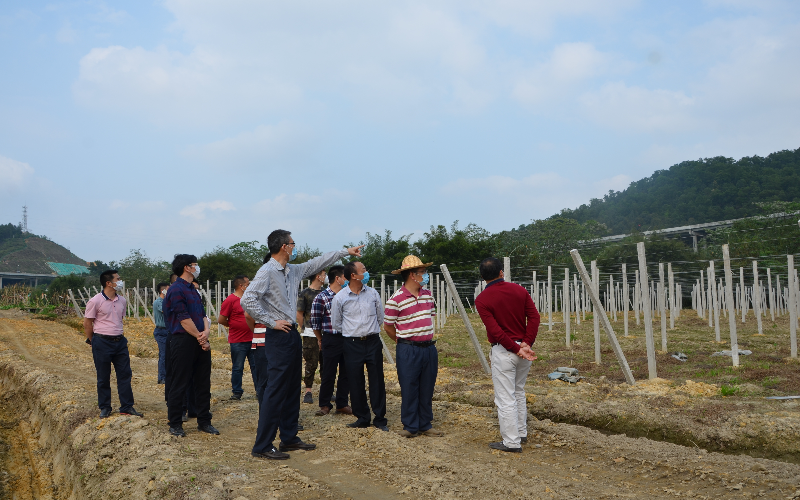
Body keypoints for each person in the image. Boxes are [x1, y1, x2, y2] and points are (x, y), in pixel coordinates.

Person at [241, 229, 363, 460]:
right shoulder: (267, 271)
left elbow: (318, 261)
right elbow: (248, 300)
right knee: (276, 390)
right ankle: (262, 445)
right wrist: (270, 321)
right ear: (284, 247)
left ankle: (289, 437)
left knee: (290, 388)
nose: (295, 247)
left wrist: (344, 252)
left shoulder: (292, 271)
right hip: (277, 335)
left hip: (290, 335)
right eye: (293, 243)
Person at [474, 257, 539, 453]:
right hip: (522, 350)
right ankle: (521, 432)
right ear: (501, 272)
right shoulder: (519, 290)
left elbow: (495, 331)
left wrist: (514, 348)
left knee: (505, 398)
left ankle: (511, 442)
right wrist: (526, 343)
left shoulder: (482, 300)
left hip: (504, 351)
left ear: (482, 277)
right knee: (518, 391)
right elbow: (534, 317)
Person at [384, 255, 442, 438]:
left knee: (427, 386)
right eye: (422, 273)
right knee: (409, 387)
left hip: (429, 348)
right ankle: (410, 425)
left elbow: (430, 317)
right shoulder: (396, 299)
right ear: (412, 275)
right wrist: (403, 341)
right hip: (408, 349)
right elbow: (388, 326)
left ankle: (425, 423)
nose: (425, 276)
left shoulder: (428, 295)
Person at [163, 254, 218, 437]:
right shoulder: (176, 289)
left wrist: (206, 331)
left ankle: (204, 421)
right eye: (195, 265)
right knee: (180, 382)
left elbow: (202, 314)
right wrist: (200, 337)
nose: (197, 268)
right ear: (187, 267)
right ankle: (176, 423)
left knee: (203, 382)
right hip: (183, 340)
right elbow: (183, 318)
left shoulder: (193, 290)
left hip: (199, 338)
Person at [331, 261, 387, 432]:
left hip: (372, 341)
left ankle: (379, 418)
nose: (367, 272)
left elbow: (380, 317)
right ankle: (362, 417)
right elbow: (337, 323)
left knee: (377, 380)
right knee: (355, 381)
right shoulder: (340, 297)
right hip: (351, 343)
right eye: (364, 270)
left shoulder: (372, 293)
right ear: (353, 275)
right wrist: (353, 333)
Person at [83, 270, 143, 419]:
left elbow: (119, 320)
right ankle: (105, 407)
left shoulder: (122, 300)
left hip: (119, 341)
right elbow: (87, 323)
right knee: (103, 376)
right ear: (108, 283)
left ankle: (127, 406)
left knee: (125, 374)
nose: (120, 281)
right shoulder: (95, 301)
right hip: (102, 341)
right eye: (118, 279)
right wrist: (93, 340)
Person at [310, 265, 352, 417]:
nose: (347, 280)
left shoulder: (349, 296)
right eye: (345, 277)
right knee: (328, 372)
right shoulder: (322, 297)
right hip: (330, 338)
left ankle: (342, 403)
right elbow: (315, 322)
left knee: (346, 373)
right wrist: (320, 339)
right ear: (338, 279)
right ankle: (325, 404)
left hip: (347, 338)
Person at [219, 275, 255, 400]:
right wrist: (233, 325)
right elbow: (221, 319)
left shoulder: (250, 299)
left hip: (252, 338)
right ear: (241, 286)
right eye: (247, 284)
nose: (249, 286)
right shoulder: (230, 300)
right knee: (238, 367)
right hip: (237, 340)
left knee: (256, 367)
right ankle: (237, 392)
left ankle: (260, 390)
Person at [297, 269, 326, 404]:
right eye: (324, 275)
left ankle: (327, 391)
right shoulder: (305, 293)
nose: (326, 277)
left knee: (325, 362)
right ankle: (308, 391)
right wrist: (304, 328)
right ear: (318, 277)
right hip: (309, 333)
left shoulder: (326, 293)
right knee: (311, 362)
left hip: (325, 332)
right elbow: (300, 313)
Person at [152, 282, 170, 384]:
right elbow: (166, 310)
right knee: (164, 354)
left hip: (168, 330)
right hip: (161, 331)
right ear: (163, 291)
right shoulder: (159, 302)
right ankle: (162, 377)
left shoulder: (166, 301)